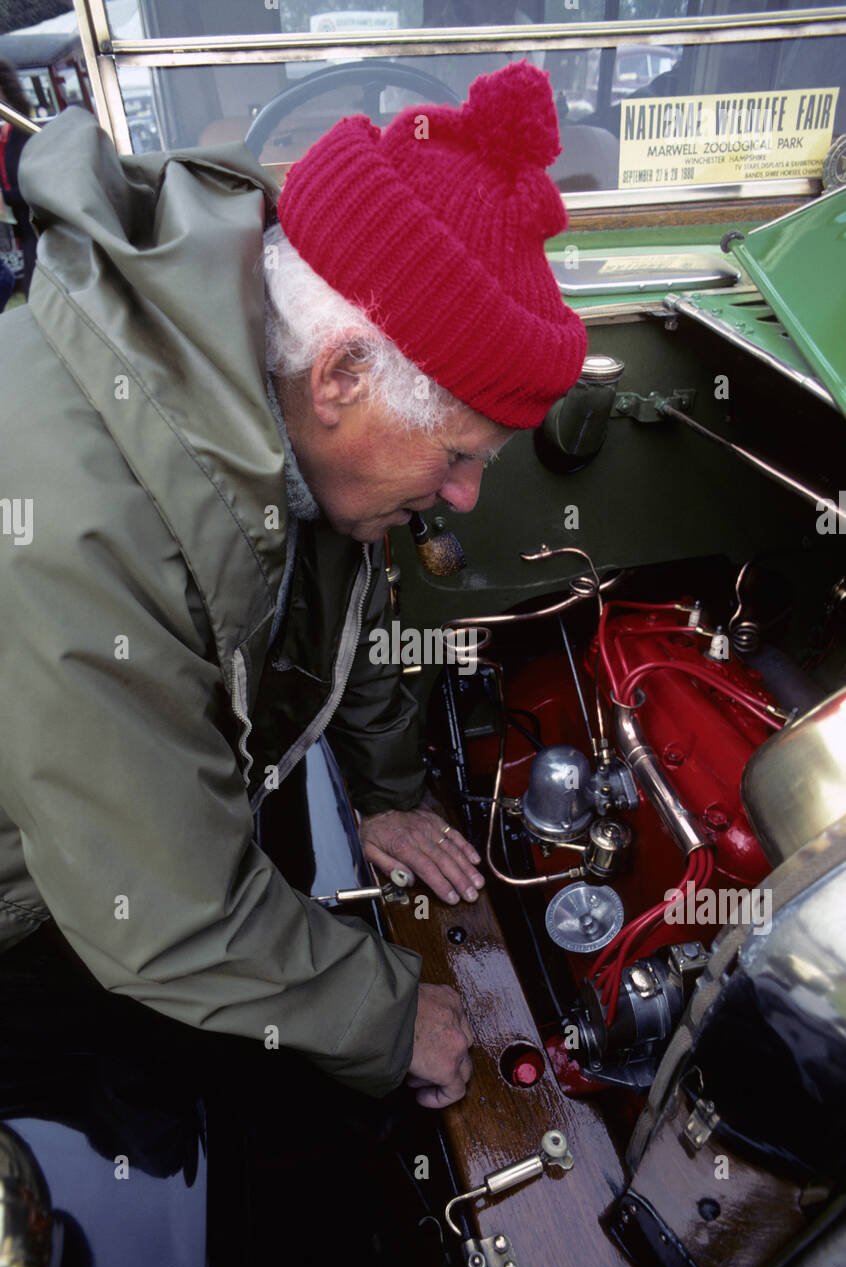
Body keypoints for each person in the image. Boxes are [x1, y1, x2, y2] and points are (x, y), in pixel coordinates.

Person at [0, 62, 586, 1111]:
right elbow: (156, 909)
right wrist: (385, 1012)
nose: (463, 496)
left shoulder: (264, 385)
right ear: (344, 375)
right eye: (459, 453)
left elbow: (335, 589)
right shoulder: (78, 522)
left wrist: (389, 794)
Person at [0, 58, 37, 297]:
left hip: (37, 230)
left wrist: (5, 197)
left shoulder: (25, 133)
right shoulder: (7, 134)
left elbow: (34, 186)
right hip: (23, 232)